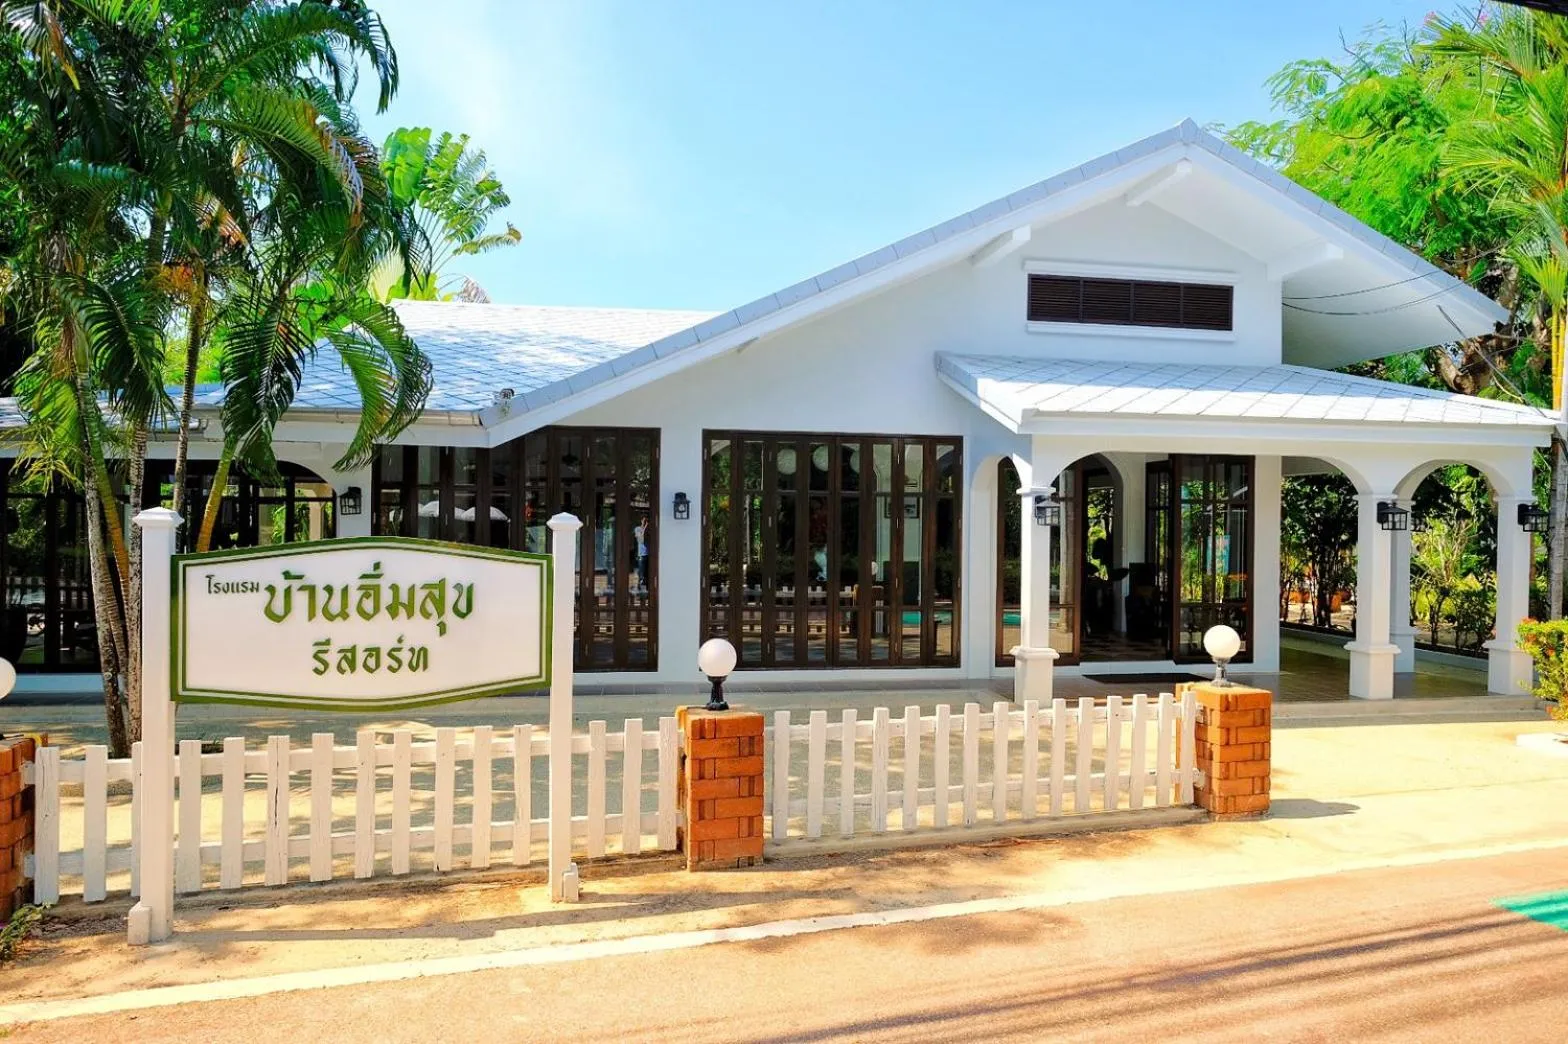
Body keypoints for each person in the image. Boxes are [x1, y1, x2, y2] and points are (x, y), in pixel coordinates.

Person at [634, 516, 650, 593]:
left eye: (646, 520)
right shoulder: (637, 529)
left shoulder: (650, 530)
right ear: (641, 521)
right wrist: (645, 527)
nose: (645, 522)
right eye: (644, 520)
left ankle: (646, 591)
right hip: (642, 555)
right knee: (642, 575)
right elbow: (641, 540)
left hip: (650, 555)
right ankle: (641, 593)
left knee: (648, 574)